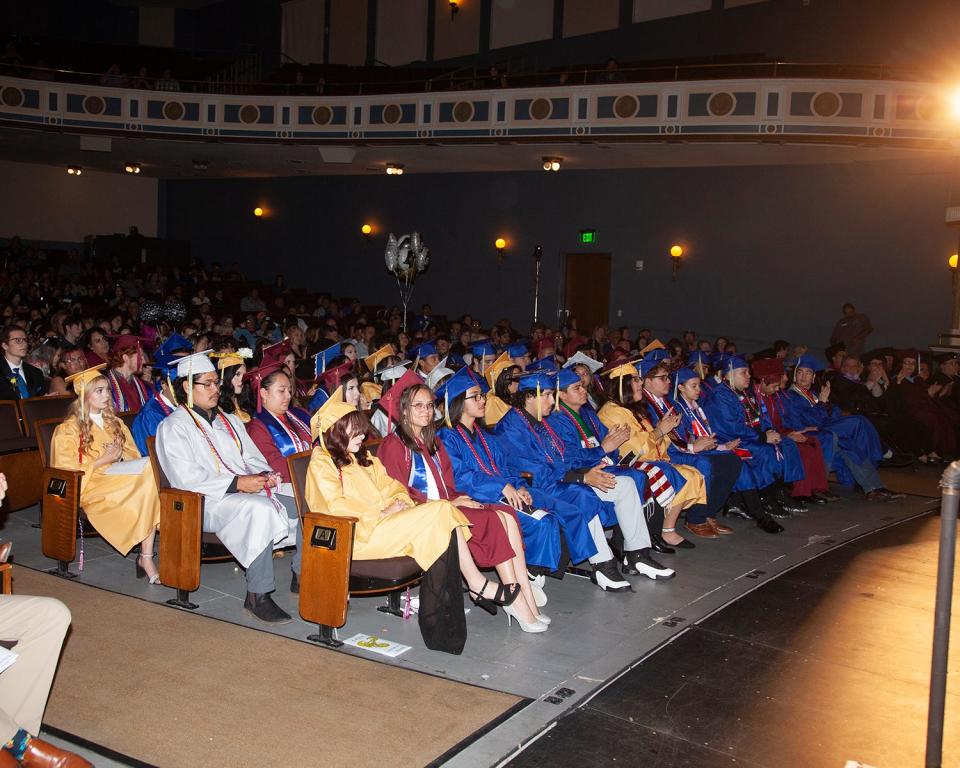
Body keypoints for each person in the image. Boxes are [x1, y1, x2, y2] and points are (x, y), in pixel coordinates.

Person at [306, 397, 521, 651]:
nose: (363, 435)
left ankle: (451, 611)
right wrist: (384, 511)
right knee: (441, 511)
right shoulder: (322, 463)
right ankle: (475, 584)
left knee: (443, 523)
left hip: (382, 528)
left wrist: (398, 502)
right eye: (355, 429)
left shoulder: (362, 458)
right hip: (356, 535)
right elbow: (333, 507)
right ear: (335, 430)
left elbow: (393, 486)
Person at [378, 374, 548, 631]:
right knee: (492, 519)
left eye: (429, 405)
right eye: (418, 406)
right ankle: (516, 603)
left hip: (445, 507)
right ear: (404, 410)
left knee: (506, 514)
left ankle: (522, 592)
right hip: (422, 517)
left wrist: (456, 499)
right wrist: (450, 505)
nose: (426, 411)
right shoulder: (394, 445)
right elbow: (397, 494)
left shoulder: (431, 440)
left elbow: (447, 484)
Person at [155, 352, 299, 623]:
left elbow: (252, 457)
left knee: (303, 498)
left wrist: (263, 475)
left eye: (215, 384)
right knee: (258, 510)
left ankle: (302, 575)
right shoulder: (174, 427)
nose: (214, 390)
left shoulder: (228, 421)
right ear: (187, 386)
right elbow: (185, 477)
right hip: (206, 501)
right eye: (206, 384)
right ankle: (258, 595)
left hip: (242, 491)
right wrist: (237, 483)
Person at [493, 371, 633, 592]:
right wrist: (580, 476)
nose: (552, 401)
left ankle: (612, 558)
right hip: (529, 486)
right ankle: (602, 563)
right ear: (529, 397)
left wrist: (585, 471)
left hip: (551, 480)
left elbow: (564, 456)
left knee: (592, 489)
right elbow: (535, 471)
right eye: (547, 395)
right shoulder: (510, 427)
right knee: (580, 494)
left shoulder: (542, 421)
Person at [548, 368, 676, 577]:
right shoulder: (556, 421)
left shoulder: (588, 413)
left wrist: (614, 444)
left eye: (583, 386)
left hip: (600, 463)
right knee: (628, 479)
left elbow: (607, 442)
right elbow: (568, 458)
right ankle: (605, 562)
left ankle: (637, 554)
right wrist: (603, 449)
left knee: (634, 478)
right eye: (576, 388)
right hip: (578, 474)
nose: (583, 391)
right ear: (561, 395)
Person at [51, 366, 162, 581]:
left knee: (151, 470)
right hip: (91, 485)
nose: (106, 395)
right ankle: (146, 557)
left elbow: (133, 455)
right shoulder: (68, 430)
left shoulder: (115, 423)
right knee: (150, 487)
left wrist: (119, 456)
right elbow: (65, 471)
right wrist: (103, 460)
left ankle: (146, 556)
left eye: (107, 390)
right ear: (84, 395)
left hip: (118, 477)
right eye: (99, 391)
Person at [597, 362, 709, 548]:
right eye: (635, 380)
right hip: (625, 464)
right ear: (622, 385)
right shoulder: (612, 412)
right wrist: (659, 432)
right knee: (670, 473)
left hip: (647, 459)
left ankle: (667, 529)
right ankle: (653, 533)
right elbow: (632, 449)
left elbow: (654, 444)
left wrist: (663, 432)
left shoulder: (632, 410)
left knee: (693, 474)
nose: (640, 383)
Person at [782, 355, 903, 501]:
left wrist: (825, 405)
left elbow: (831, 413)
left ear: (813, 377)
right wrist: (822, 404)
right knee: (856, 423)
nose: (803, 377)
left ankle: (874, 488)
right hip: (808, 435)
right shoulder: (790, 397)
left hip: (823, 429)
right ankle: (881, 454)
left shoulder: (812, 394)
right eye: (800, 372)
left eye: (808, 373)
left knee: (851, 442)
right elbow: (803, 423)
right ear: (794, 376)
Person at [701, 356, 803, 524]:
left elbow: (757, 418)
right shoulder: (721, 395)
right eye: (744, 372)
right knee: (764, 452)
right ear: (730, 375)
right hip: (728, 441)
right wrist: (763, 437)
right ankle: (765, 498)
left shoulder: (741, 393)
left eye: (748, 372)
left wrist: (768, 431)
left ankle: (776, 493)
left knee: (783, 444)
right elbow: (731, 428)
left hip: (744, 437)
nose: (749, 375)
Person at [105, 334, 152, 413]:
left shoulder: (141, 385)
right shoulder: (105, 385)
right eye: (140, 357)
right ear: (125, 358)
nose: (144, 361)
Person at [0, 326, 44, 400]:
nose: (24, 344)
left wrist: (43, 399)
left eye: (25, 340)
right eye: (18, 340)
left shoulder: (36, 373)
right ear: (5, 346)